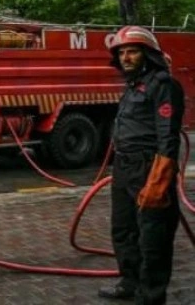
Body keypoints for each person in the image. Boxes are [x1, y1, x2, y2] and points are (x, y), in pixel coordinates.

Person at [99, 26, 184, 304]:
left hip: (150, 168)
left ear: (147, 54)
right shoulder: (132, 85)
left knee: (153, 235)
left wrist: (159, 181)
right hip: (124, 168)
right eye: (122, 52)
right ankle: (129, 282)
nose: (126, 57)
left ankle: (151, 295)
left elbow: (168, 137)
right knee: (123, 229)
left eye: (132, 51)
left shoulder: (163, 85)